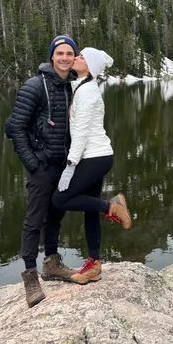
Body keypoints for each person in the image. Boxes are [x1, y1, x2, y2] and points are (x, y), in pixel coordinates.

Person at [52, 47, 132, 285]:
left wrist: (70, 165)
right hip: (96, 156)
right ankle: (94, 265)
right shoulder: (82, 86)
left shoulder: (88, 91)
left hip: (93, 157)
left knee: (60, 200)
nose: (76, 58)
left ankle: (113, 207)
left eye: (82, 57)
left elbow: (82, 133)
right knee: (90, 211)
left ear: (91, 66)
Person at [9, 34, 78, 307]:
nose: (64, 58)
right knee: (34, 220)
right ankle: (30, 276)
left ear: (74, 57)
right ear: (52, 56)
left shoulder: (71, 86)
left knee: (56, 215)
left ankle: (52, 263)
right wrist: (32, 163)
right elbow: (16, 127)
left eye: (69, 53)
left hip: (64, 164)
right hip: (41, 165)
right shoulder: (35, 85)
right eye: (59, 53)